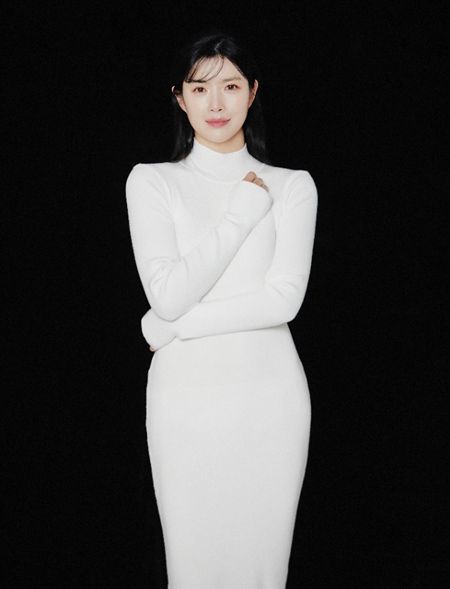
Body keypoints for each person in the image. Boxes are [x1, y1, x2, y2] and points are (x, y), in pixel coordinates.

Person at [125, 28, 318, 589]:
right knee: (193, 568)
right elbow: (168, 294)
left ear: (252, 92)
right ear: (179, 97)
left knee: (262, 570)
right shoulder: (152, 182)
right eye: (199, 87)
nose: (216, 103)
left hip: (269, 396)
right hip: (185, 397)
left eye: (230, 86)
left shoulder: (293, 186)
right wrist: (241, 214)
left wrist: (170, 328)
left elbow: (284, 299)